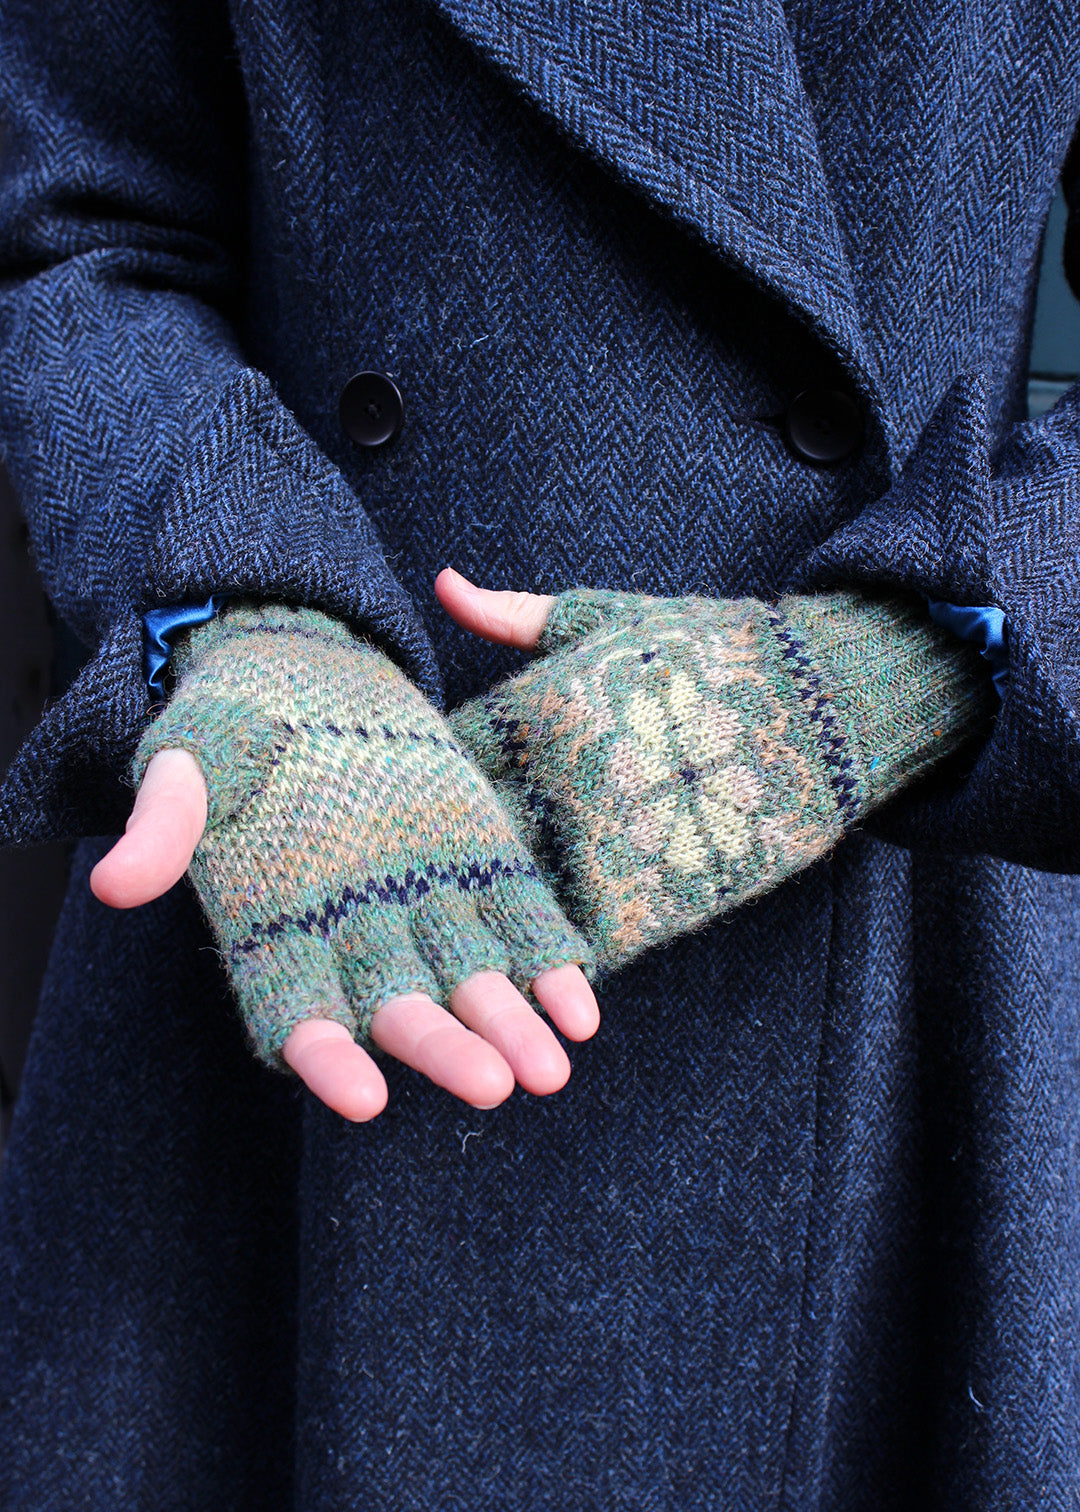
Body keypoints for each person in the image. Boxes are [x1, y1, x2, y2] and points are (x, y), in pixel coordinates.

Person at [1, 0, 1079, 1506]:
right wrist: (246, 587)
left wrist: (915, 653)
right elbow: (86, 228)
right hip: (305, 872)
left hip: (895, 895)